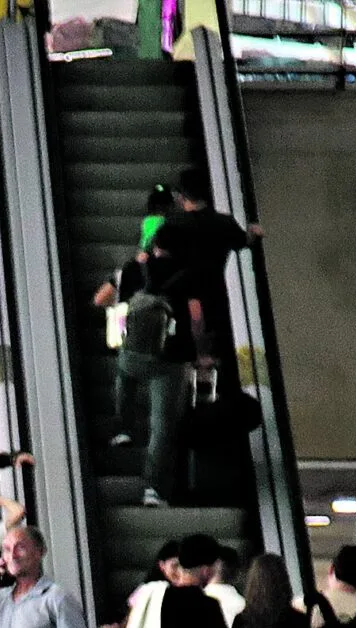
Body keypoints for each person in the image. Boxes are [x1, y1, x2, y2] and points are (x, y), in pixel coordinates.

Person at [90, 230, 189, 508]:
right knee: (161, 426)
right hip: (168, 360)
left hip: (131, 353)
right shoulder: (189, 273)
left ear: (153, 245)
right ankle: (153, 489)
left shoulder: (132, 268)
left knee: (124, 376)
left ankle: (123, 429)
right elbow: (195, 316)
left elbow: (100, 299)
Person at [154, 164, 257, 381]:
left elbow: (158, 254)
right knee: (218, 353)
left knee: (182, 357)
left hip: (181, 300)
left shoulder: (172, 224)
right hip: (216, 297)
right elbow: (244, 241)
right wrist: (253, 232)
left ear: (181, 196)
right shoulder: (224, 222)